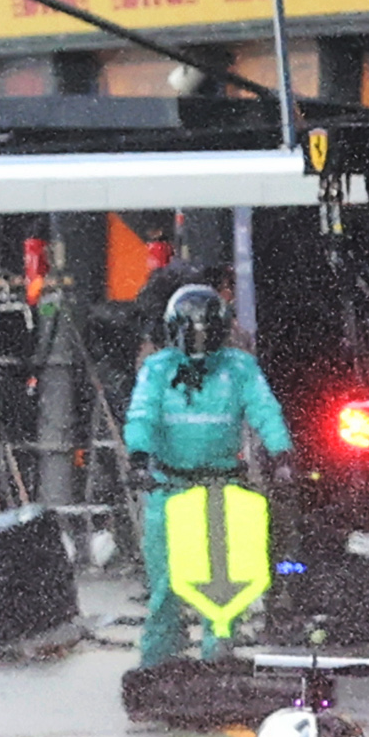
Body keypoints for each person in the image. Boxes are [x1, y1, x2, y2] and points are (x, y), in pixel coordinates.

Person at [123, 279, 290, 661]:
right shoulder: (159, 369)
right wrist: (139, 456)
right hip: (170, 488)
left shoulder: (239, 367)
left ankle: (219, 655)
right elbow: (142, 414)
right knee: (166, 584)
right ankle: (158, 662)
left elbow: (263, 409)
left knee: (224, 583)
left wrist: (281, 454)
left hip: (221, 487)